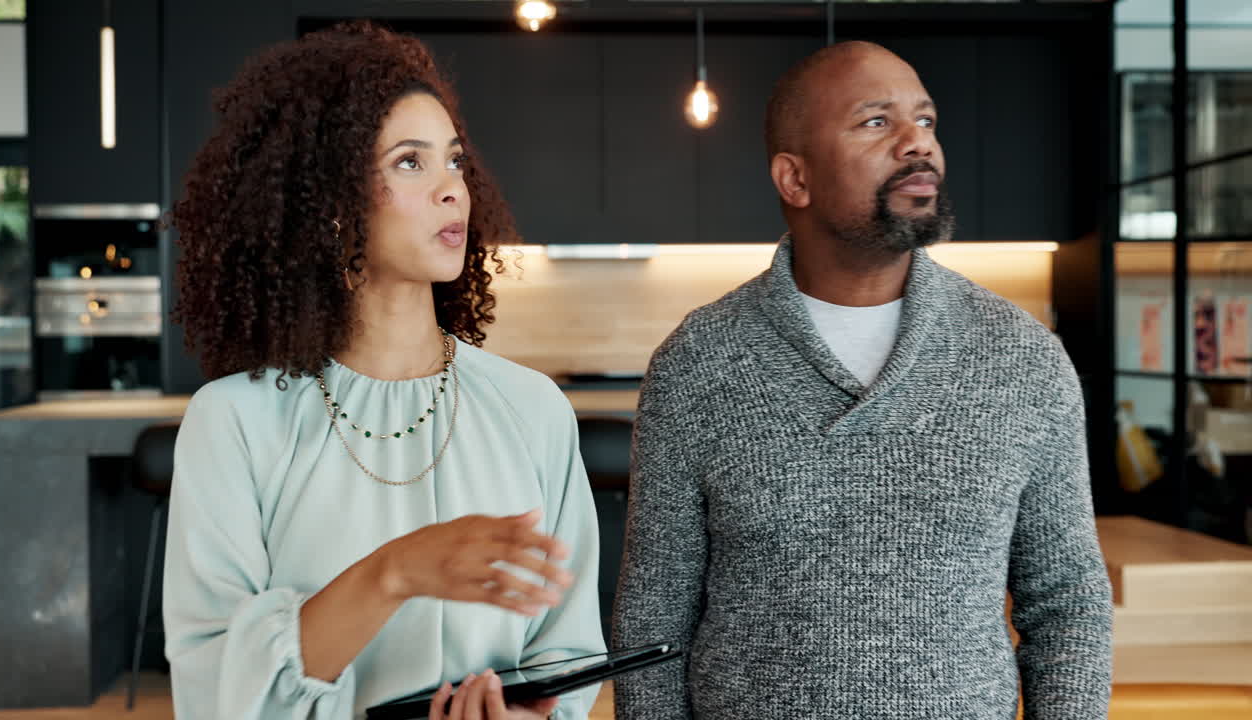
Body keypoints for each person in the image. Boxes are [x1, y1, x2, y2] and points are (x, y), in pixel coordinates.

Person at [612, 41, 1113, 720]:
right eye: (877, 122)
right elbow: (654, 619)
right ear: (795, 178)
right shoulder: (698, 362)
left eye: (927, 121)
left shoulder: (1022, 359)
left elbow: (1068, 604)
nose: (918, 144)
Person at [163, 22, 604, 720]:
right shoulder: (234, 423)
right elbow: (218, 688)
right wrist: (395, 572)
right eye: (409, 162)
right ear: (332, 204)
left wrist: (531, 715)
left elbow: (568, 655)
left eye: (454, 161)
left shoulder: (533, 409)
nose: (453, 189)